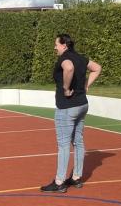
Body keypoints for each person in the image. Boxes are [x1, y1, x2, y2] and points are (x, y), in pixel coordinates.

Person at [40, 34, 102, 193]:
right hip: (82, 105)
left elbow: (69, 68)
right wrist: (86, 85)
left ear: (64, 45)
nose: (55, 47)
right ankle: (76, 177)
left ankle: (59, 181)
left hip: (67, 107)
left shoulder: (65, 59)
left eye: (56, 44)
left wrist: (66, 88)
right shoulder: (80, 58)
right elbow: (97, 68)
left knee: (63, 144)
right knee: (78, 141)